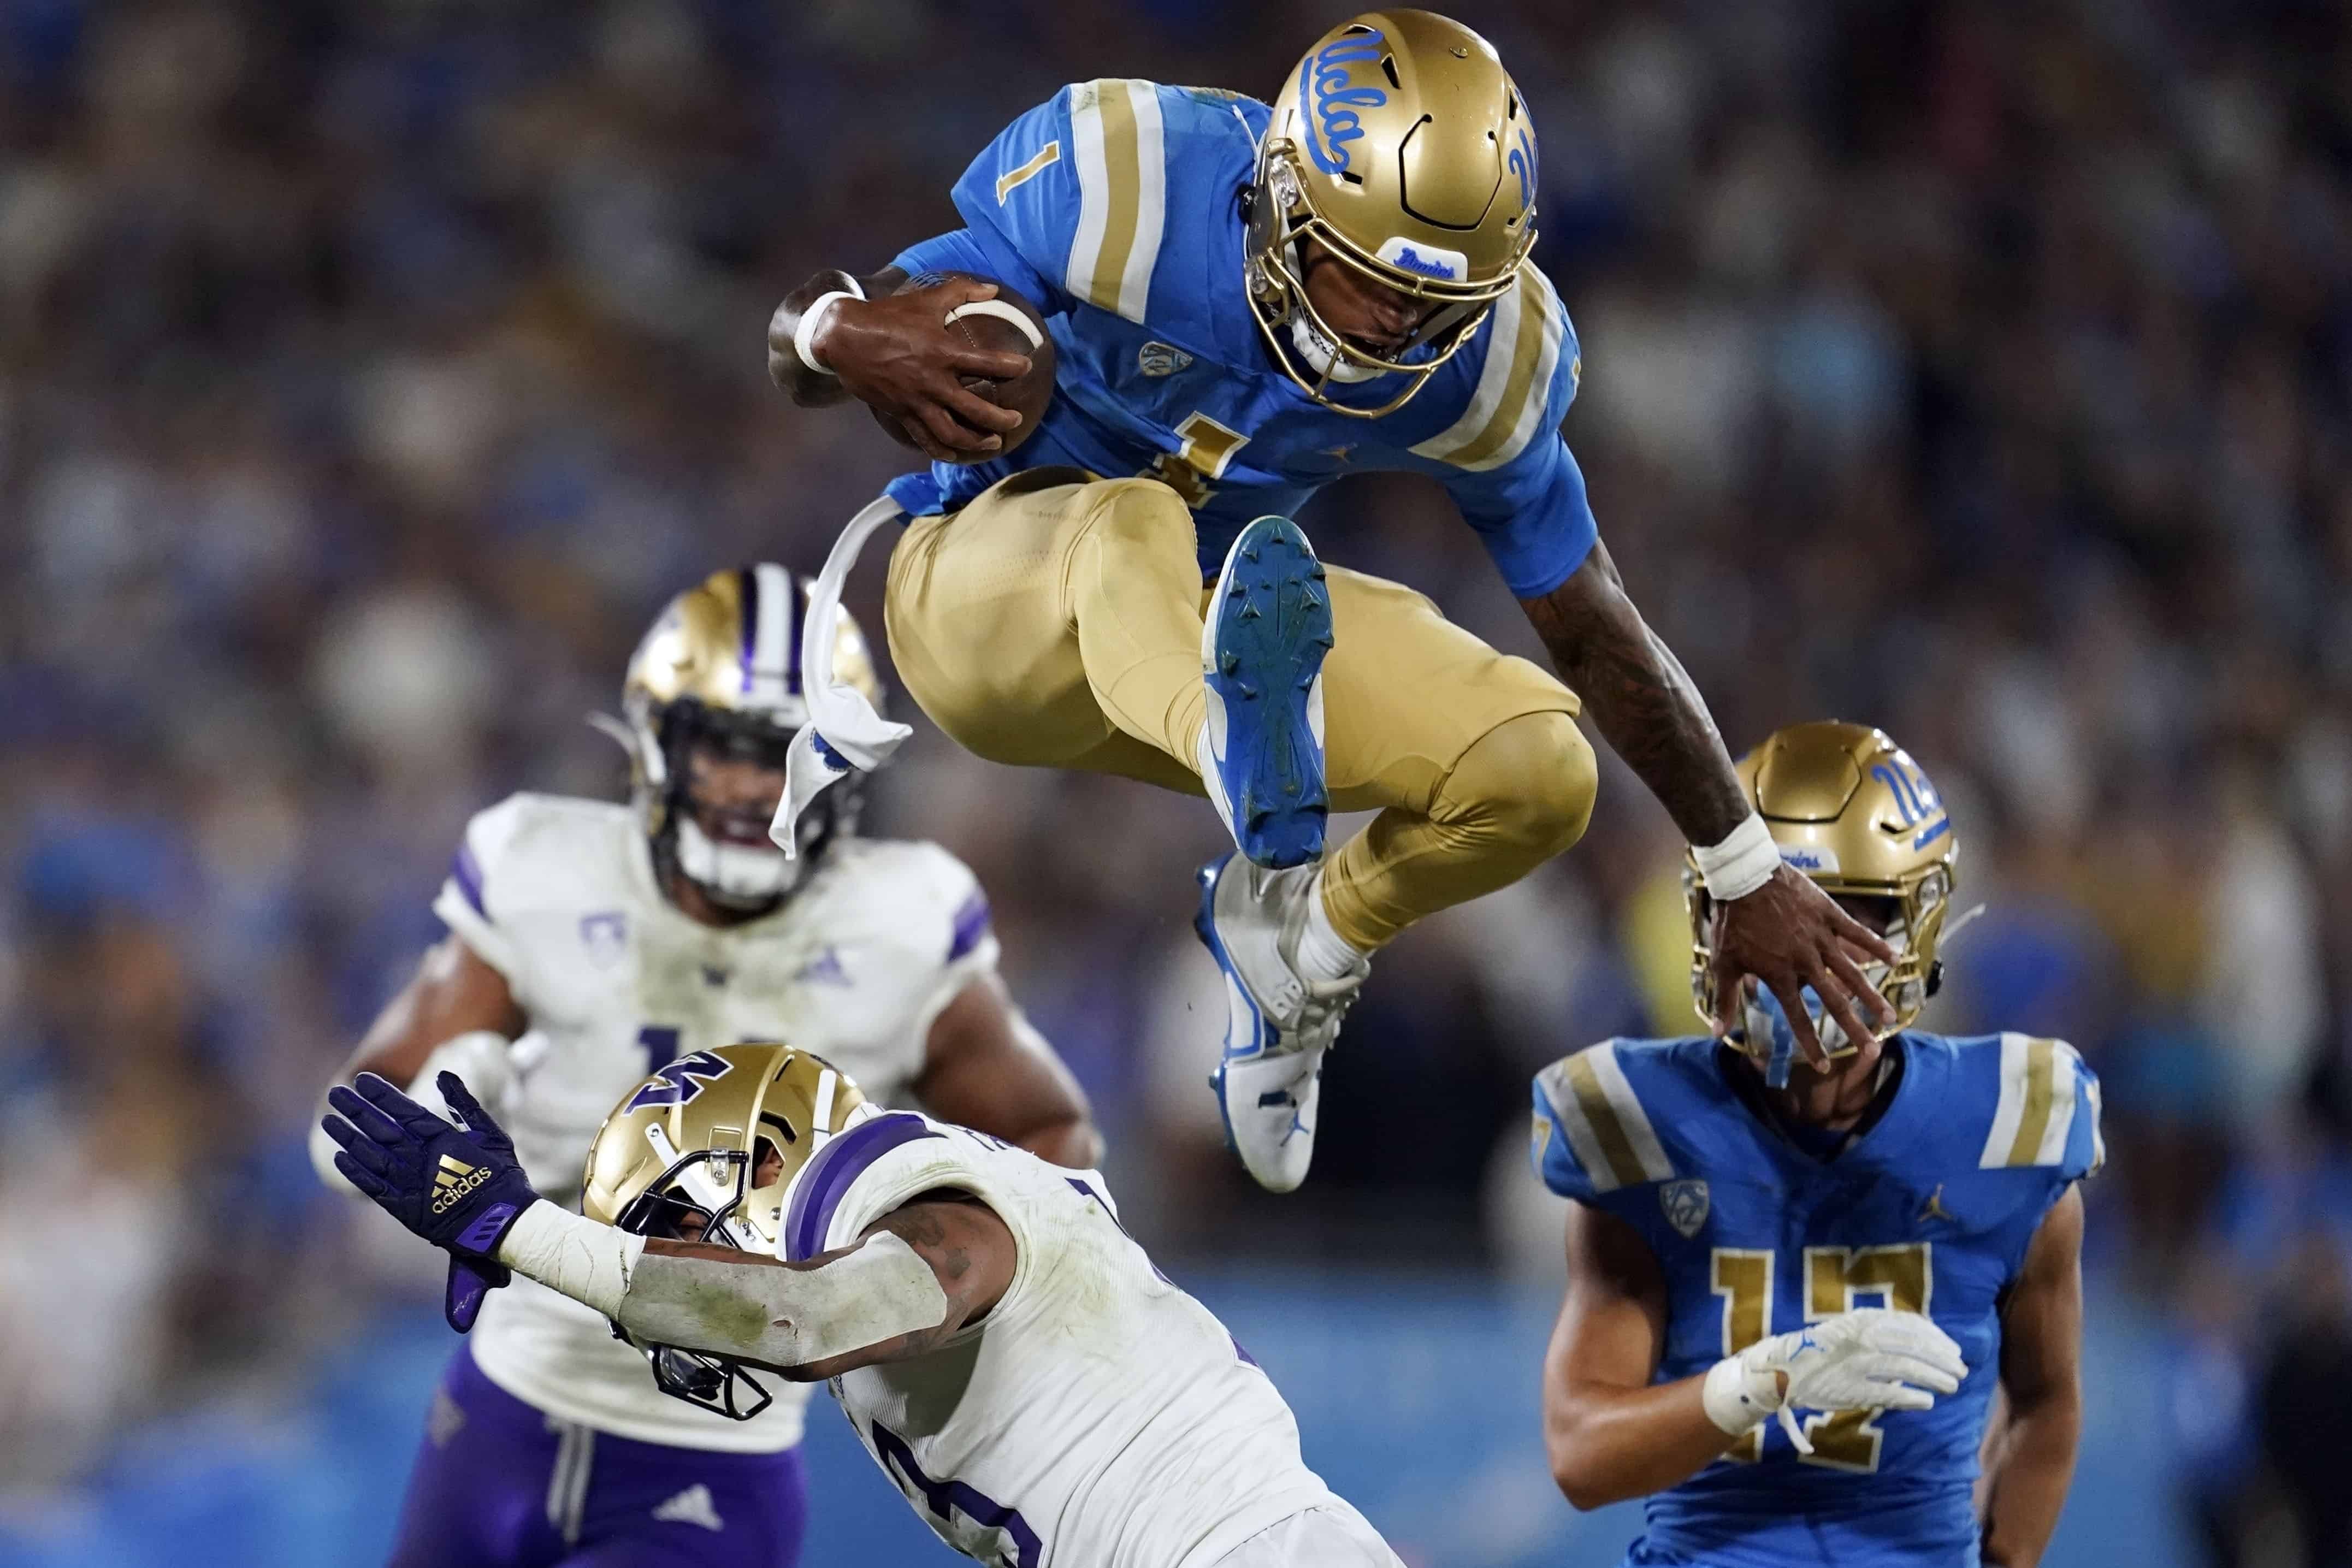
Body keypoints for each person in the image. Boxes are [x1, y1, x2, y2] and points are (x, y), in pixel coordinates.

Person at [759, 10, 1893, 1194]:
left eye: (1426, 298)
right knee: (1130, 518)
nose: (1390, 323)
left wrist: (1742, 865)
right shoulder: (1130, 179)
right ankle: (1241, 754)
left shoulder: (1485, 360)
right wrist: (840, 332)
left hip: (1212, 620)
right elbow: (822, 327)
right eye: (1359, 274)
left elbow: (1590, 621)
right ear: (1279, 197)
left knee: (1538, 770)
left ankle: (1300, 944)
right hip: (990, 608)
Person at [308, 565, 1100, 1568]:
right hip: (500, 1404)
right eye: (727, 748)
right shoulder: (544, 867)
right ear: (656, 743)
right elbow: (348, 1129)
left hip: (715, 1450)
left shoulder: (900, 921)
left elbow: (1045, 1138)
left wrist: (905, 1270)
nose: (757, 787)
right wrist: (457, 1088)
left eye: (794, 755)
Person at [322, 1042, 1406, 1568]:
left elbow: (809, 1313)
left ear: (758, 1156)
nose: (663, 1278)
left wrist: (521, 1231)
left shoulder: (864, 1172)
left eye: (668, 1227)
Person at [1532, 721, 2096, 1567]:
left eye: (1841, 918)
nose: (1793, 955)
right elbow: (1580, 1452)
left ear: (1915, 930)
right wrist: (1763, 1382)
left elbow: (2045, 1405)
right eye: (1760, 918)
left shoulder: (2009, 1128)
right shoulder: (1646, 1125)